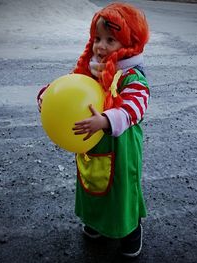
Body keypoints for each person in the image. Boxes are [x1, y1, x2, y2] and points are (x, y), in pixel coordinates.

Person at [37, 2, 150, 258]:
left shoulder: (132, 76)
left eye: (111, 40)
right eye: (98, 38)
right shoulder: (89, 70)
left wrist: (107, 120)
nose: (101, 46)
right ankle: (96, 221)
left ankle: (130, 230)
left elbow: (136, 106)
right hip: (91, 144)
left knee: (121, 190)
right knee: (92, 184)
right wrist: (47, 96)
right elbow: (65, 88)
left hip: (120, 147)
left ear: (128, 44)